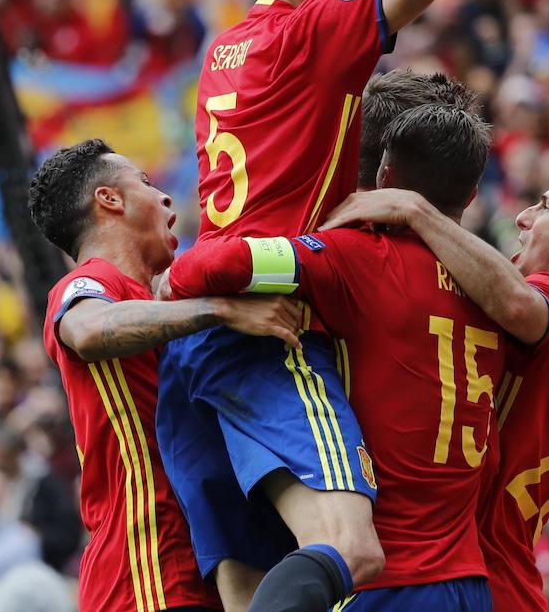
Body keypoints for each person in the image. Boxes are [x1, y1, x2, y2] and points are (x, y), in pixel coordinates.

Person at [157, 0, 474, 612]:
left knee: (251, 587)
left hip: (202, 342)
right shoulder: (311, 34)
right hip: (268, 331)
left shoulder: (225, 50)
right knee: (352, 551)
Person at [163, 104, 499, 612]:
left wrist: (175, 284)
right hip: (469, 583)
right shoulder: (499, 293)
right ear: (471, 195)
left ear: (383, 177)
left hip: (384, 583)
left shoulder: (360, 258)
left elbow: (215, 264)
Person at [322, 160, 549, 612]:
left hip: (468, 578)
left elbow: (518, 304)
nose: (522, 217)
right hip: (498, 581)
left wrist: (416, 210)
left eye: (543, 207)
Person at [28, 139, 303, 612]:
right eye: (147, 182)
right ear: (109, 200)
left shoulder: (165, 306)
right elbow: (90, 329)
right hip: (144, 567)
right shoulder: (87, 284)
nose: (167, 198)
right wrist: (222, 309)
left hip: (200, 567)